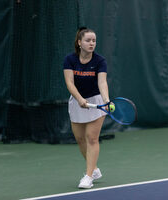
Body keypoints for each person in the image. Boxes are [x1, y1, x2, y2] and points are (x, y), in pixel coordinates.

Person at [63, 27, 110, 189]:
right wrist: (80, 99)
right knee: (80, 139)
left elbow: (102, 82)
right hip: (77, 101)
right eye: (88, 40)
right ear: (79, 43)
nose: (91, 43)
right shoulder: (69, 60)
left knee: (92, 138)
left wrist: (106, 100)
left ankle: (88, 176)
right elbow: (69, 82)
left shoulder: (100, 61)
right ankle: (95, 169)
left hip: (96, 102)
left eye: (94, 41)